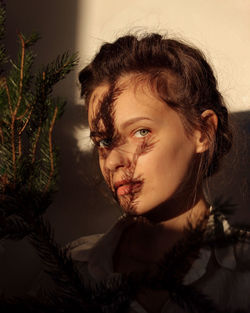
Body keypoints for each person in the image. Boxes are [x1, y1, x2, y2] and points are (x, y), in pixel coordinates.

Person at [69, 33, 250, 313]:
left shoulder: (243, 274)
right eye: (104, 141)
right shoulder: (71, 268)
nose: (114, 160)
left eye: (141, 132)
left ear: (203, 132)